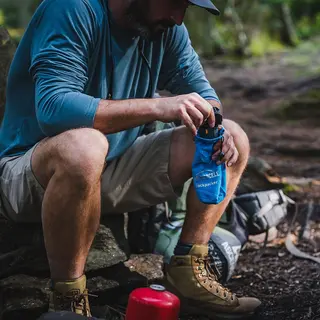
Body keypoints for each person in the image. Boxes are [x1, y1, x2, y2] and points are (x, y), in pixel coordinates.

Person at [0, 0, 261, 318]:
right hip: (31, 173)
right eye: (176, 4)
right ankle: (68, 301)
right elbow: (55, 109)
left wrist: (213, 121)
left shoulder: (163, 28)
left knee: (233, 136)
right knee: (86, 146)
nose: (178, 19)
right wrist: (159, 107)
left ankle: (188, 268)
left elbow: (201, 91)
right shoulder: (72, 8)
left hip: (111, 167)